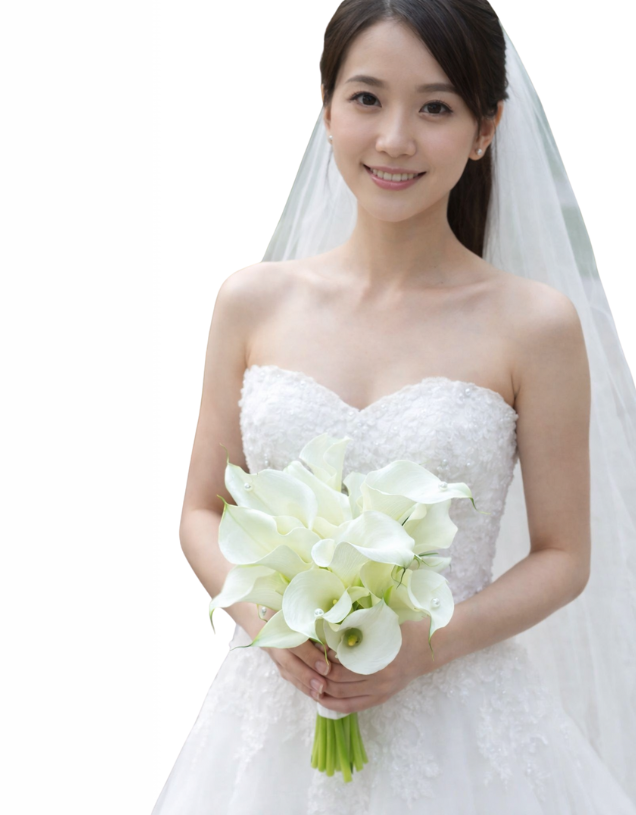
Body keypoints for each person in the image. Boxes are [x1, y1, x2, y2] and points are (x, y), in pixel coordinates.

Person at [153, 1, 636, 812]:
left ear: (487, 128)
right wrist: (274, 628)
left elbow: (563, 555)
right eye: (368, 99)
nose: (395, 140)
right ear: (327, 105)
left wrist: (423, 646)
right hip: (275, 714)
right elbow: (200, 511)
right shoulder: (252, 302)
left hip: (462, 722)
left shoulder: (537, 324)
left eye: (436, 107)